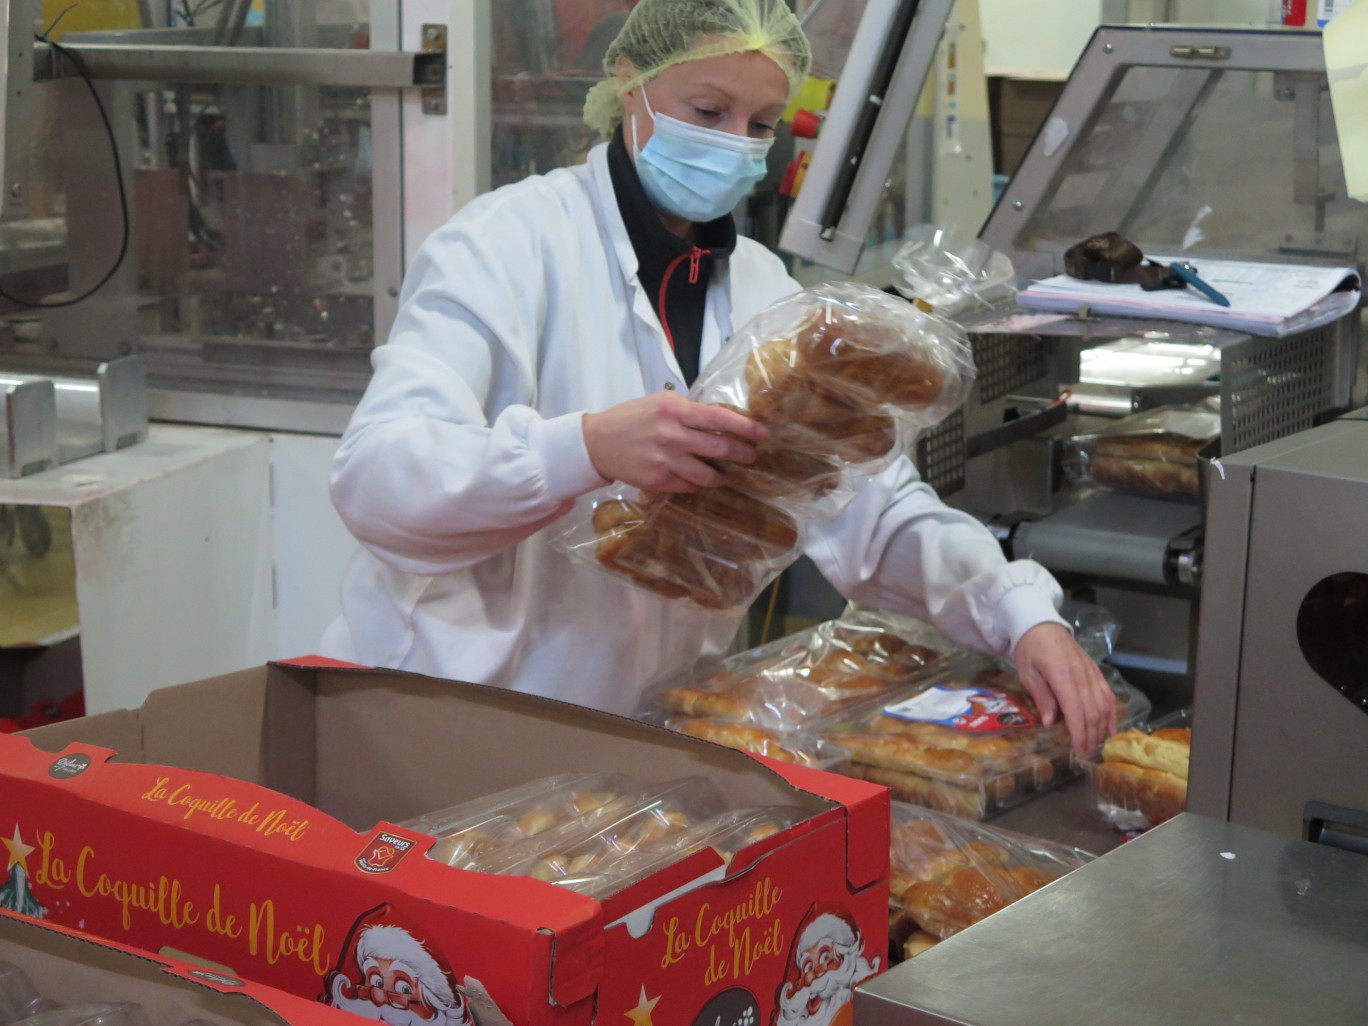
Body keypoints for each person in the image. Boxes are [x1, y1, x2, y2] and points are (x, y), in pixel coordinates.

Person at [321, 0, 1117, 754]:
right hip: (448, 715)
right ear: (629, 81)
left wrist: (1018, 614)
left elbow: (870, 507)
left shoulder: (765, 291)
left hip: (644, 727)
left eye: (762, 124)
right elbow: (377, 482)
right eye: (708, 112)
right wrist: (586, 448)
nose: (737, 143)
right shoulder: (503, 246)